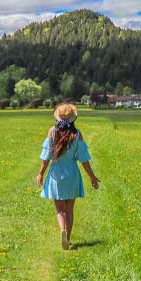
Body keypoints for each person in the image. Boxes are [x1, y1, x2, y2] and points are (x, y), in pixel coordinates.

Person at [36, 103, 100, 250]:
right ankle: (68, 239)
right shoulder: (77, 135)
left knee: (60, 210)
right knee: (69, 209)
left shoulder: (52, 132)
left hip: (56, 174)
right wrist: (92, 177)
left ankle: (62, 230)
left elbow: (46, 157)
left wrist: (40, 173)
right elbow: (84, 160)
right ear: (73, 119)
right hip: (72, 173)